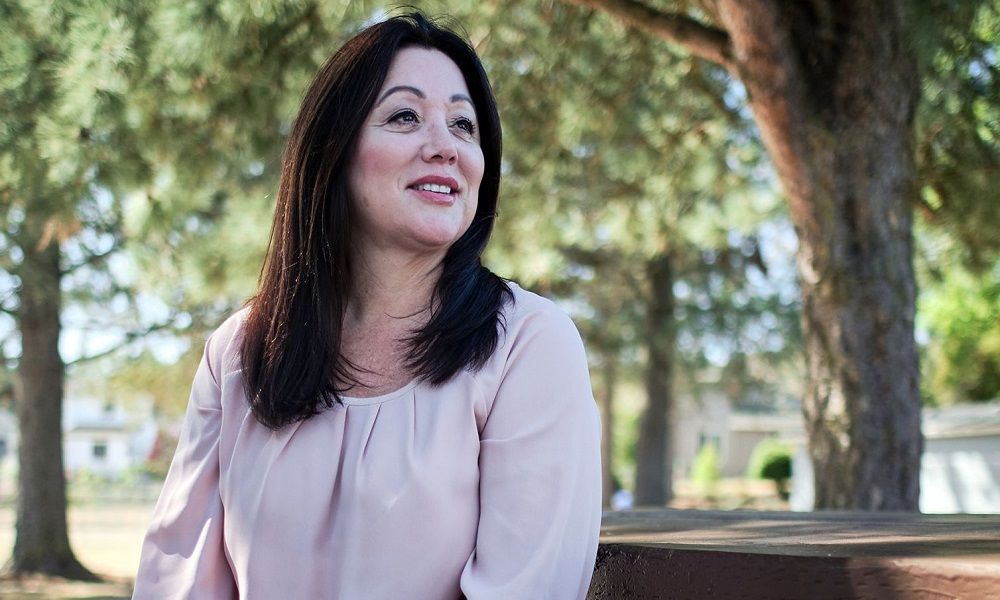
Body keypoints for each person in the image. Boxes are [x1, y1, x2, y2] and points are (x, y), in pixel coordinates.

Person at [133, 12, 601, 600]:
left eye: (464, 125)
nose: (446, 147)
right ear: (333, 150)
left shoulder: (529, 344)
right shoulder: (240, 350)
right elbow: (177, 581)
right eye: (405, 116)